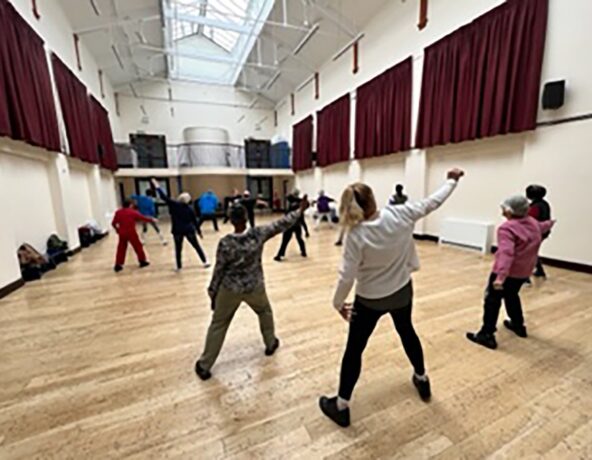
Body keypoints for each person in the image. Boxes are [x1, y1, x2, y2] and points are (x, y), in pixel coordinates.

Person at [319, 168, 465, 428]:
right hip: (401, 293)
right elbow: (434, 201)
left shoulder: (355, 235)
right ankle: (421, 378)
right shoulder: (401, 213)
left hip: (369, 300)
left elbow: (346, 276)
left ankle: (341, 405)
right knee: (407, 331)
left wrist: (338, 303)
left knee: (354, 349)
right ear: (374, 199)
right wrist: (452, 180)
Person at [195, 197, 310, 380]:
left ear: (231, 220)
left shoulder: (225, 243)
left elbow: (218, 270)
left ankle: (204, 365)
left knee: (218, 324)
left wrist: (212, 293)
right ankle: (270, 343)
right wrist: (300, 211)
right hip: (254, 286)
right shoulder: (257, 234)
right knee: (264, 311)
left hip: (229, 289)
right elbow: (281, 224)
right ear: (246, 218)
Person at [466, 195, 555, 350]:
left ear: (509, 210)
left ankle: (486, 334)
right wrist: (550, 223)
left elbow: (507, 254)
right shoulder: (533, 223)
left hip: (507, 273)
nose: (501, 212)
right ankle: (518, 325)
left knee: (492, 301)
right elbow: (542, 227)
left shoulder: (507, 228)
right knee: (512, 295)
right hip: (524, 272)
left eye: (503, 209)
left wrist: (500, 277)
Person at [151, 178, 210, 270]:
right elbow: (194, 221)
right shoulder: (190, 209)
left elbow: (163, 197)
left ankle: (179, 266)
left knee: (178, 249)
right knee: (197, 246)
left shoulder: (174, 205)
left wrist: (157, 186)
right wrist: (199, 232)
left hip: (177, 230)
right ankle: (205, 262)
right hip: (189, 230)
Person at [111, 199, 156, 272]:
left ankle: (118, 264)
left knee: (121, 248)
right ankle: (142, 261)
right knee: (138, 246)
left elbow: (113, 223)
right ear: (130, 205)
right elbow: (142, 218)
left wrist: (118, 230)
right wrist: (151, 219)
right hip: (131, 232)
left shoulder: (118, 212)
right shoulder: (133, 212)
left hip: (122, 233)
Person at [274, 189, 308, 262]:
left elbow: (301, 218)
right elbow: (302, 219)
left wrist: (306, 230)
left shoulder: (295, 203)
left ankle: (280, 255)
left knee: (286, 240)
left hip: (290, 224)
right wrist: (306, 230)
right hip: (295, 225)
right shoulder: (298, 203)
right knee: (298, 238)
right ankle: (303, 252)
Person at [526, 185, 552, 279]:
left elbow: (530, 220)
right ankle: (540, 271)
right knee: (531, 252)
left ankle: (524, 276)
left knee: (527, 253)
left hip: (536, 233)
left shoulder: (535, 206)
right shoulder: (544, 204)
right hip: (543, 232)